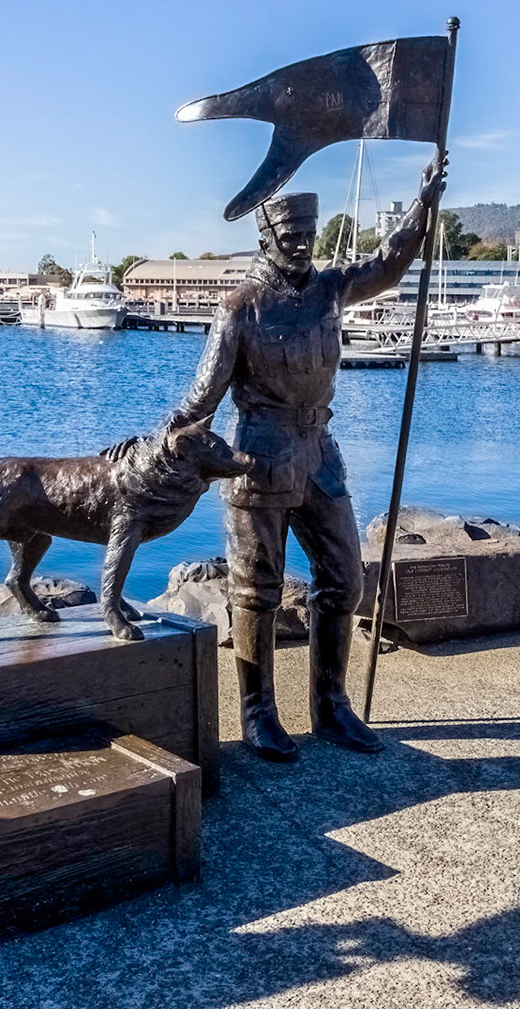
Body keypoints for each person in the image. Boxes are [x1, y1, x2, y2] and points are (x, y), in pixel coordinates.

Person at [167, 151, 447, 760]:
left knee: (344, 578)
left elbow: (388, 263)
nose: (300, 244)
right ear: (266, 236)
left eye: (307, 235)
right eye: (289, 235)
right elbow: (203, 395)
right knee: (256, 590)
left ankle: (331, 706)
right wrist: (167, 446)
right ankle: (258, 713)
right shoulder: (240, 307)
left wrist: (423, 206)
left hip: (320, 449)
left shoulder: (330, 288)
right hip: (260, 453)